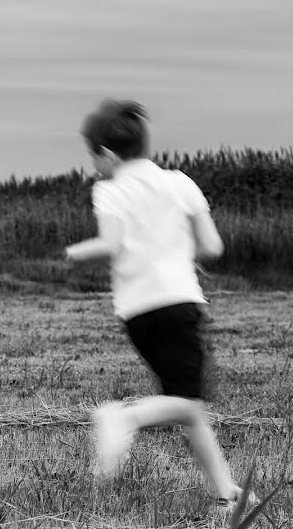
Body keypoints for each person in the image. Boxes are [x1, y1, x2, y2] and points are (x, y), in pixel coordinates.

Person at [64, 100, 254, 515]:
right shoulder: (180, 182)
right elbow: (212, 246)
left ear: (107, 154)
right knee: (188, 403)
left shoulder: (109, 189)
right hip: (178, 303)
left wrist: (73, 252)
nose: (95, 167)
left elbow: (110, 245)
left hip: (136, 315)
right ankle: (123, 417)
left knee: (185, 405)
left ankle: (226, 493)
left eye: (93, 158)